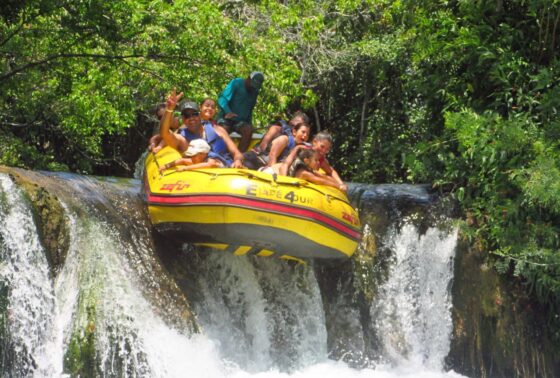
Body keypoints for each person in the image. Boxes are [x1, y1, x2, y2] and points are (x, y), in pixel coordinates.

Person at [158, 88, 244, 169]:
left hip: (228, 168)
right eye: (187, 116)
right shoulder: (182, 140)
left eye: (194, 114)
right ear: (183, 120)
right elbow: (164, 133)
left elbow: (236, 152)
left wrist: (238, 160)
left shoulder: (218, 130)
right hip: (205, 176)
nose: (191, 118)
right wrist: (169, 109)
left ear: (199, 115)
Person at [217, 71, 264, 152]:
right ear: (249, 78)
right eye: (252, 84)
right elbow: (222, 99)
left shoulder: (255, 91)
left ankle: (239, 156)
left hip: (240, 121)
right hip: (226, 118)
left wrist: (250, 124)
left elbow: (250, 108)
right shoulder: (236, 83)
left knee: (248, 130)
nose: (253, 87)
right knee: (224, 129)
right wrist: (228, 111)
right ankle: (219, 155)